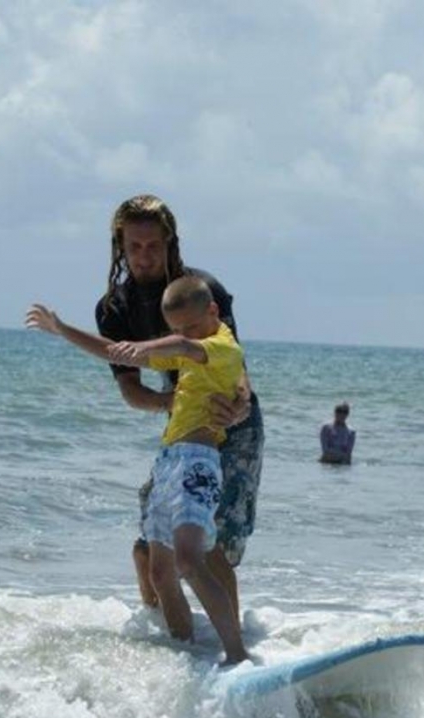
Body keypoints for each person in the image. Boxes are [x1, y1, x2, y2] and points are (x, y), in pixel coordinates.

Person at [25, 275, 249, 664]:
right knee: (161, 574)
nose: (186, 335)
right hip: (168, 463)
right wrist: (63, 329)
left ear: (213, 311)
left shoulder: (222, 347)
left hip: (198, 461)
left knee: (189, 561)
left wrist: (146, 345)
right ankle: (187, 652)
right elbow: (118, 352)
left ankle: (237, 655)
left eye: (192, 326)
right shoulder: (190, 342)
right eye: (179, 328)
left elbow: (180, 345)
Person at [94, 195, 263, 621]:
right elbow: (132, 392)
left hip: (234, 421)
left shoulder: (203, 290)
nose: (144, 256)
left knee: (215, 544)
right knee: (150, 544)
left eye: (153, 245)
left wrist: (239, 404)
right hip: (185, 426)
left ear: (170, 242)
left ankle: (234, 651)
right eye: (134, 247)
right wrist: (174, 401)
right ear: (120, 246)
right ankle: (164, 632)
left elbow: (234, 363)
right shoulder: (114, 308)